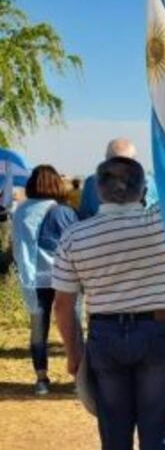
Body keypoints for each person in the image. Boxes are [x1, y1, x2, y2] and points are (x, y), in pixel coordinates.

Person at [51, 156, 165, 450]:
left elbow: (63, 305)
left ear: (96, 190)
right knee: (158, 428)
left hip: (106, 335)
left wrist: (73, 355)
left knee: (114, 430)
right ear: (143, 190)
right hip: (160, 331)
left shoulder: (75, 236)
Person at [11, 165, 79, 395]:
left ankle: (41, 379)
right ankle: (78, 378)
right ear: (55, 184)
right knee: (72, 327)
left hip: (33, 279)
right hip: (64, 278)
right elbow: (76, 244)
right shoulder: (63, 212)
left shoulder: (20, 211)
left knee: (38, 330)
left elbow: (18, 247)